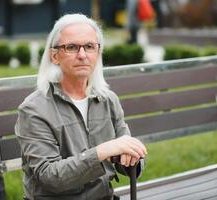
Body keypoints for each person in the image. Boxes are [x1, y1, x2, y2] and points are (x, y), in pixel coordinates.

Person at [15, 13, 147, 200]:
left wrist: (131, 157)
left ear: (98, 53)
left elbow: (124, 151)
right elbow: (49, 177)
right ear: (54, 56)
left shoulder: (108, 100)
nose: (82, 55)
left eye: (89, 46)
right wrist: (103, 151)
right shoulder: (33, 109)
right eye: (71, 47)